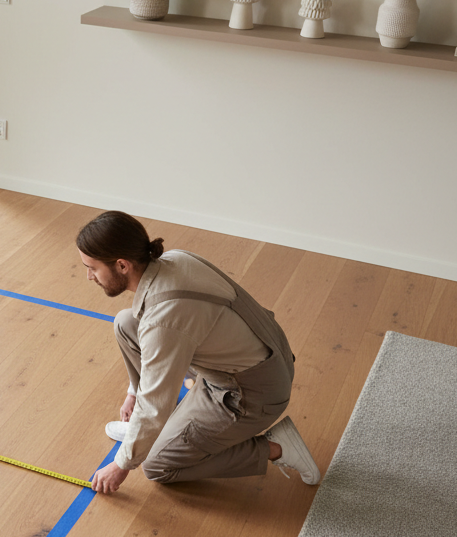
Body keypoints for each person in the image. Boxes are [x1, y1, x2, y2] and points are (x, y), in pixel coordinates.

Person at [76, 211, 321, 494]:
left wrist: (121, 464)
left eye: (92, 268)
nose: (88, 276)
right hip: (262, 355)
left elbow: (155, 405)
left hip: (250, 393)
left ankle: (276, 448)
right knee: (126, 323)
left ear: (121, 265)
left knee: (156, 465)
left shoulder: (163, 319)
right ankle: (156, 432)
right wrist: (134, 392)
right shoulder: (174, 259)